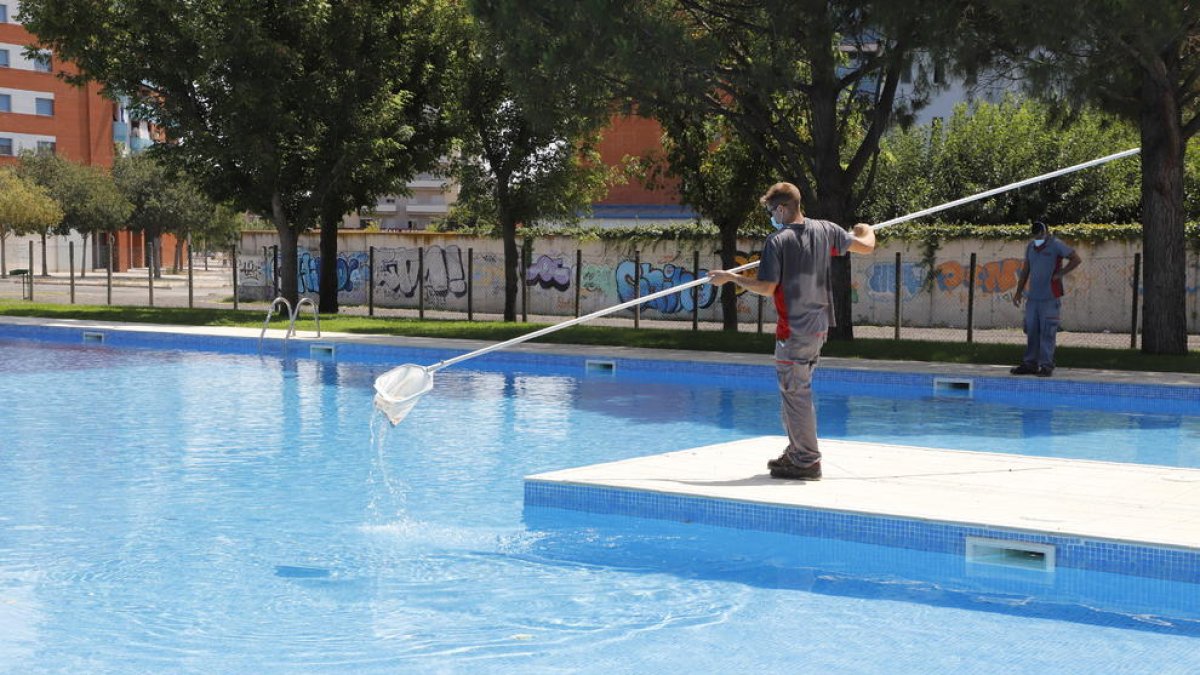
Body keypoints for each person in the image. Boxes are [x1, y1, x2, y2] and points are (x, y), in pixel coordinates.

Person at [709, 182, 875, 480]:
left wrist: (730, 278)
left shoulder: (779, 240)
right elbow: (866, 245)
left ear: (783, 208)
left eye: (772, 211)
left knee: (795, 395)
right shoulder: (826, 230)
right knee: (794, 392)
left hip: (794, 330)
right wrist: (866, 229)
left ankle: (806, 460)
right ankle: (797, 450)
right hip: (819, 327)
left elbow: (766, 287)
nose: (771, 216)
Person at [1010, 221, 1082, 377]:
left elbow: (1076, 259)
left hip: (1050, 297)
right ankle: (1030, 364)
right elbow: (1026, 270)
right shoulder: (1030, 247)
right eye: (1035, 236)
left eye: (1040, 235)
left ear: (1046, 233)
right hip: (1033, 297)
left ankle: (1046, 365)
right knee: (1031, 331)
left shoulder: (1056, 245)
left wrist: (1060, 273)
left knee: (1047, 332)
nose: (1037, 238)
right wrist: (1018, 292)